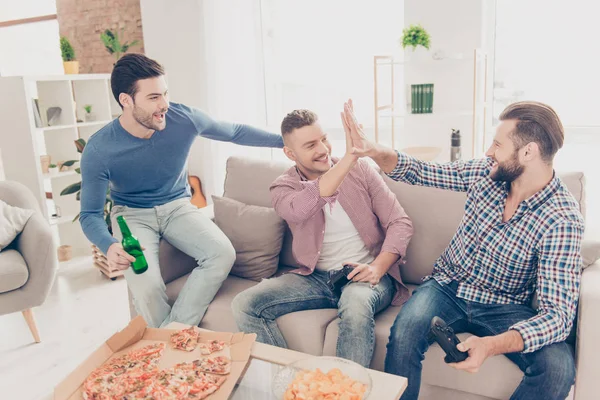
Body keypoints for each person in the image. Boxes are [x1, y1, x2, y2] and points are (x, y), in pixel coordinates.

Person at [341, 99, 584, 399]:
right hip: (447, 287)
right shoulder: (486, 173)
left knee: (558, 368)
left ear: (528, 152)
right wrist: (373, 151)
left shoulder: (562, 219)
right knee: (406, 331)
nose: (488, 152)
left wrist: (492, 345)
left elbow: (558, 316)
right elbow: (420, 171)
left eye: (497, 144)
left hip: (505, 305)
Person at [79, 53, 284, 328]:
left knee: (222, 253)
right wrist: (110, 245)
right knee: (147, 288)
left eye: (165, 93)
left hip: (177, 207)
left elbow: (234, 131)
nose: (164, 104)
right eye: (153, 97)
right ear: (126, 101)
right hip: (131, 216)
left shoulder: (183, 118)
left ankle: (172, 335)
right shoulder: (99, 148)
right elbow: (90, 214)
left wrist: (289, 140)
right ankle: (177, 343)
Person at [231, 109, 413, 367]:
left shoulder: (360, 169)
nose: (323, 149)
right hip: (316, 278)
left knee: (355, 305)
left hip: (366, 273)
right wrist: (348, 160)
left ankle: (347, 392)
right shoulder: (282, 187)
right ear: (290, 154)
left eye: (323, 139)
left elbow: (400, 222)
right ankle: (288, 382)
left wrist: (378, 267)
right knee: (245, 303)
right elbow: (303, 207)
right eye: (310, 145)